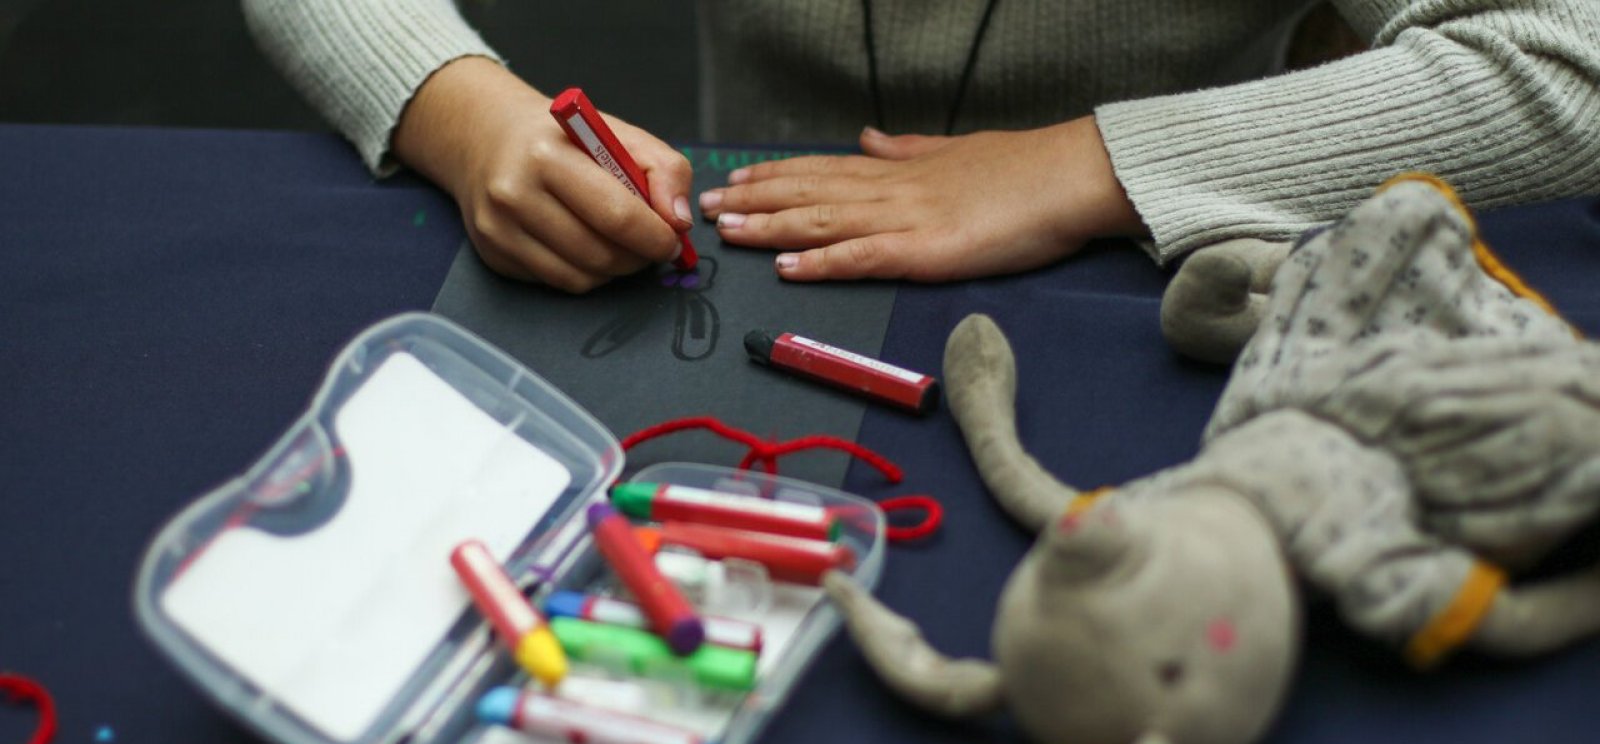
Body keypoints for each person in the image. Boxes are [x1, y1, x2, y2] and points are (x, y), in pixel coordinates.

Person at [242, 1, 1600, 294]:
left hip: (1167, 268)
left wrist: (1080, 163)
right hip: (742, 244)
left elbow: (1573, 58)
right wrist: (465, 110)